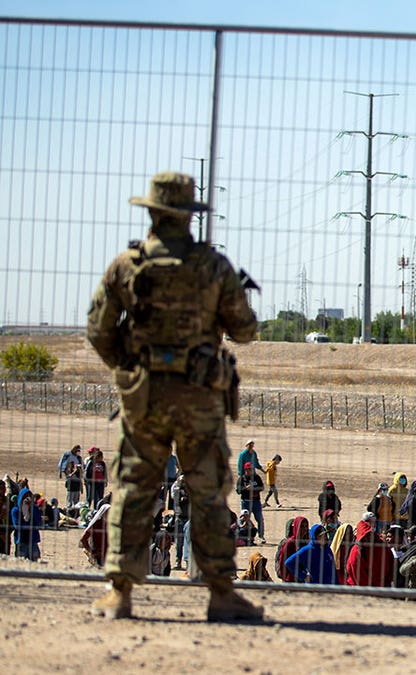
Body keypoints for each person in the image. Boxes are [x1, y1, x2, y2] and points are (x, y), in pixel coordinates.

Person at [85, 172, 261, 622]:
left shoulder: (128, 265)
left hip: (144, 397)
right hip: (200, 398)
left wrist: (129, 367)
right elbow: (244, 330)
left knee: (134, 489)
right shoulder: (213, 266)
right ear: (189, 216)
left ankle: (119, 592)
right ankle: (220, 591)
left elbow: (98, 329)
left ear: (152, 212)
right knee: (207, 492)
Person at [346, 513, 394, 587]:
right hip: (363, 590)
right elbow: (357, 573)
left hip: (383, 588)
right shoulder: (356, 550)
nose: (368, 538)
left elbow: (390, 563)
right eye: (365, 536)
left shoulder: (381, 545)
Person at [235, 462, 265, 544]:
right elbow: (238, 491)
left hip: (256, 502)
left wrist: (254, 488)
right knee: (244, 520)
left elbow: (262, 487)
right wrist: (246, 488)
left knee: (260, 519)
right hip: (246, 501)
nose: (250, 471)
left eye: (251, 469)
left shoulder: (257, 477)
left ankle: (261, 536)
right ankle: (242, 537)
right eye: (248, 469)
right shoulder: (242, 479)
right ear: (245, 470)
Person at [10, 486, 42, 561]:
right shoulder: (16, 510)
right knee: (20, 564)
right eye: (25, 497)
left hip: (33, 541)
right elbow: (17, 526)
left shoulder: (35, 508)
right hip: (21, 541)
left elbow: (38, 523)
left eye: (29, 496)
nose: (27, 499)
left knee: (36, 563)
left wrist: (31, 510)